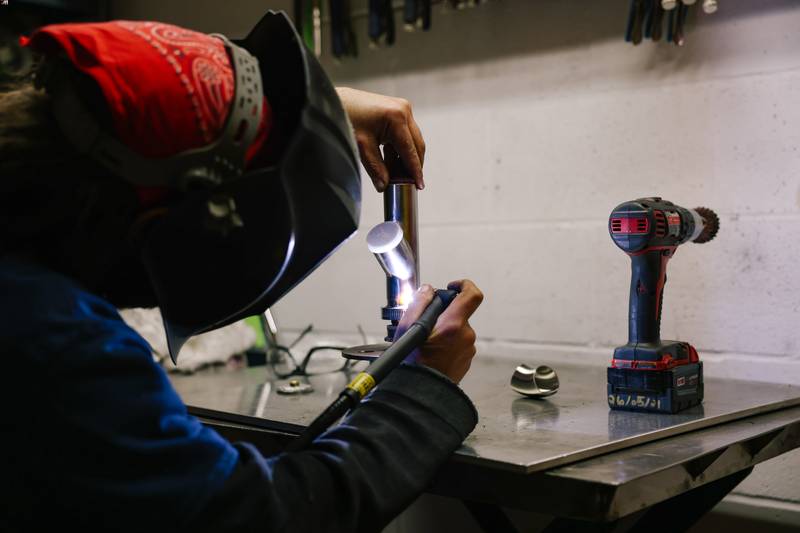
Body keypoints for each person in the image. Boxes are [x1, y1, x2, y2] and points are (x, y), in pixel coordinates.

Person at [0, 10, 483, 533]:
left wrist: (312, 113)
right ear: (179, 219)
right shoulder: (51, 338)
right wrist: (423, 386)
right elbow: (261, 517)